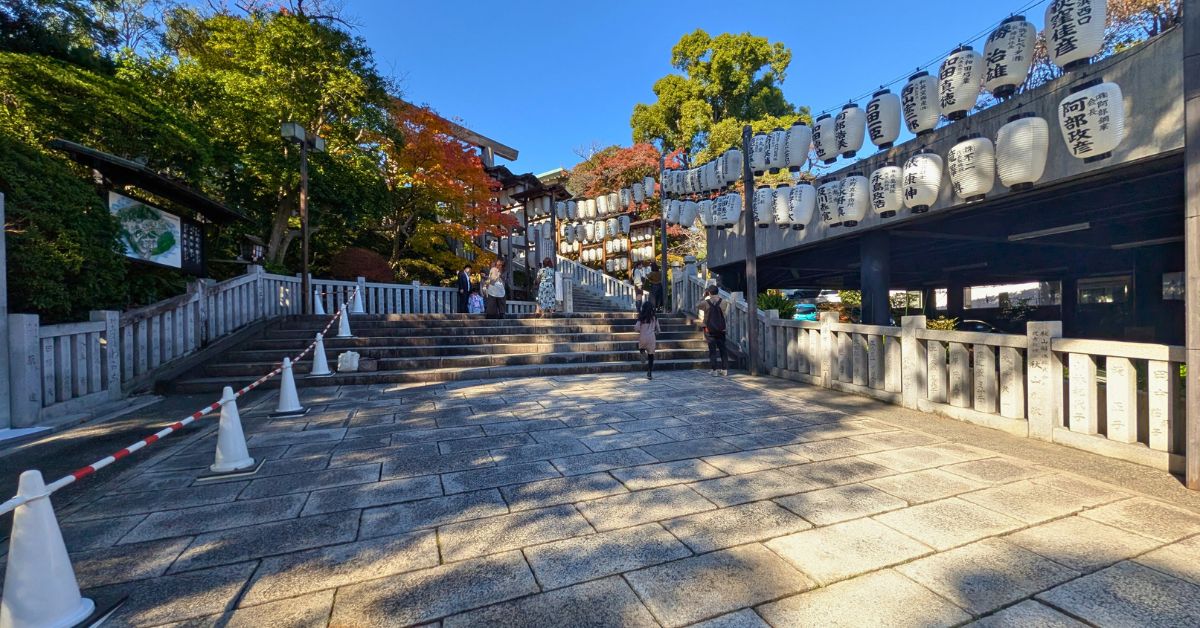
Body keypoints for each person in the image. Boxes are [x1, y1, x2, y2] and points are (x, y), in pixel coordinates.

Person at [697, 285, 729, 376]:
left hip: (709, 329)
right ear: (718, 292)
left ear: (709, 293)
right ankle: (724, 369)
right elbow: (724, 314)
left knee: (712, 350)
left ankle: (714, 370)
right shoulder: (724, 302)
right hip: (721, 329)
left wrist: (703, 296)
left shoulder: (705, 303)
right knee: (723, 349)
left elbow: (697, 305)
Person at [634, 301, 662, 379]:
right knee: (651, 356)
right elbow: (659, 330)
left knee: (641, 347)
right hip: (651, 338)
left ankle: (642, 352)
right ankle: (649, 372)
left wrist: (640, 330)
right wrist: (656, 331)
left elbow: (636, 328)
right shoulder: (654, 317)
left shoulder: (641, 317)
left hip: (643, 337)